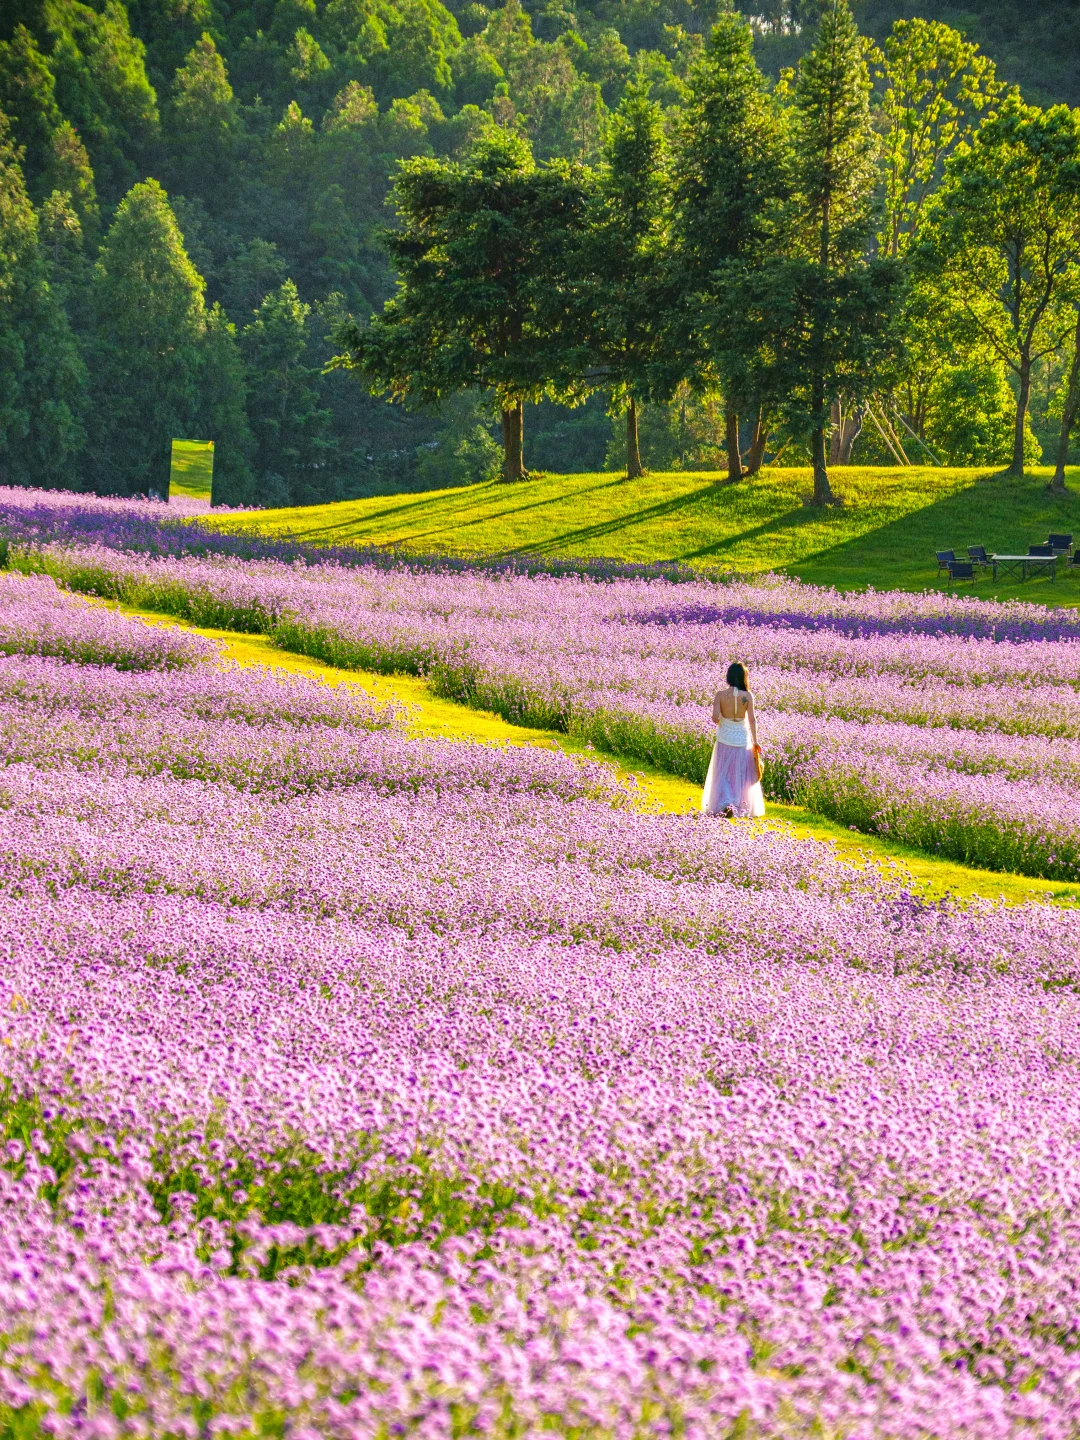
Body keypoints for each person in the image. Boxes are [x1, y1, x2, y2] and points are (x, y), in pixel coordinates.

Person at [701, 661, 765, 819]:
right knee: (739, 773)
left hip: (725, 737)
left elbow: (715, 718)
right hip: (742, 738)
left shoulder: (720, 695)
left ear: (729, 676)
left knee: (723, 771)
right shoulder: (748, 696)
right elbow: (752, 719)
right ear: (743, 677)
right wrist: (755, 741)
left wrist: (722, 717)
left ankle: (726, 803)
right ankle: (737, 804)